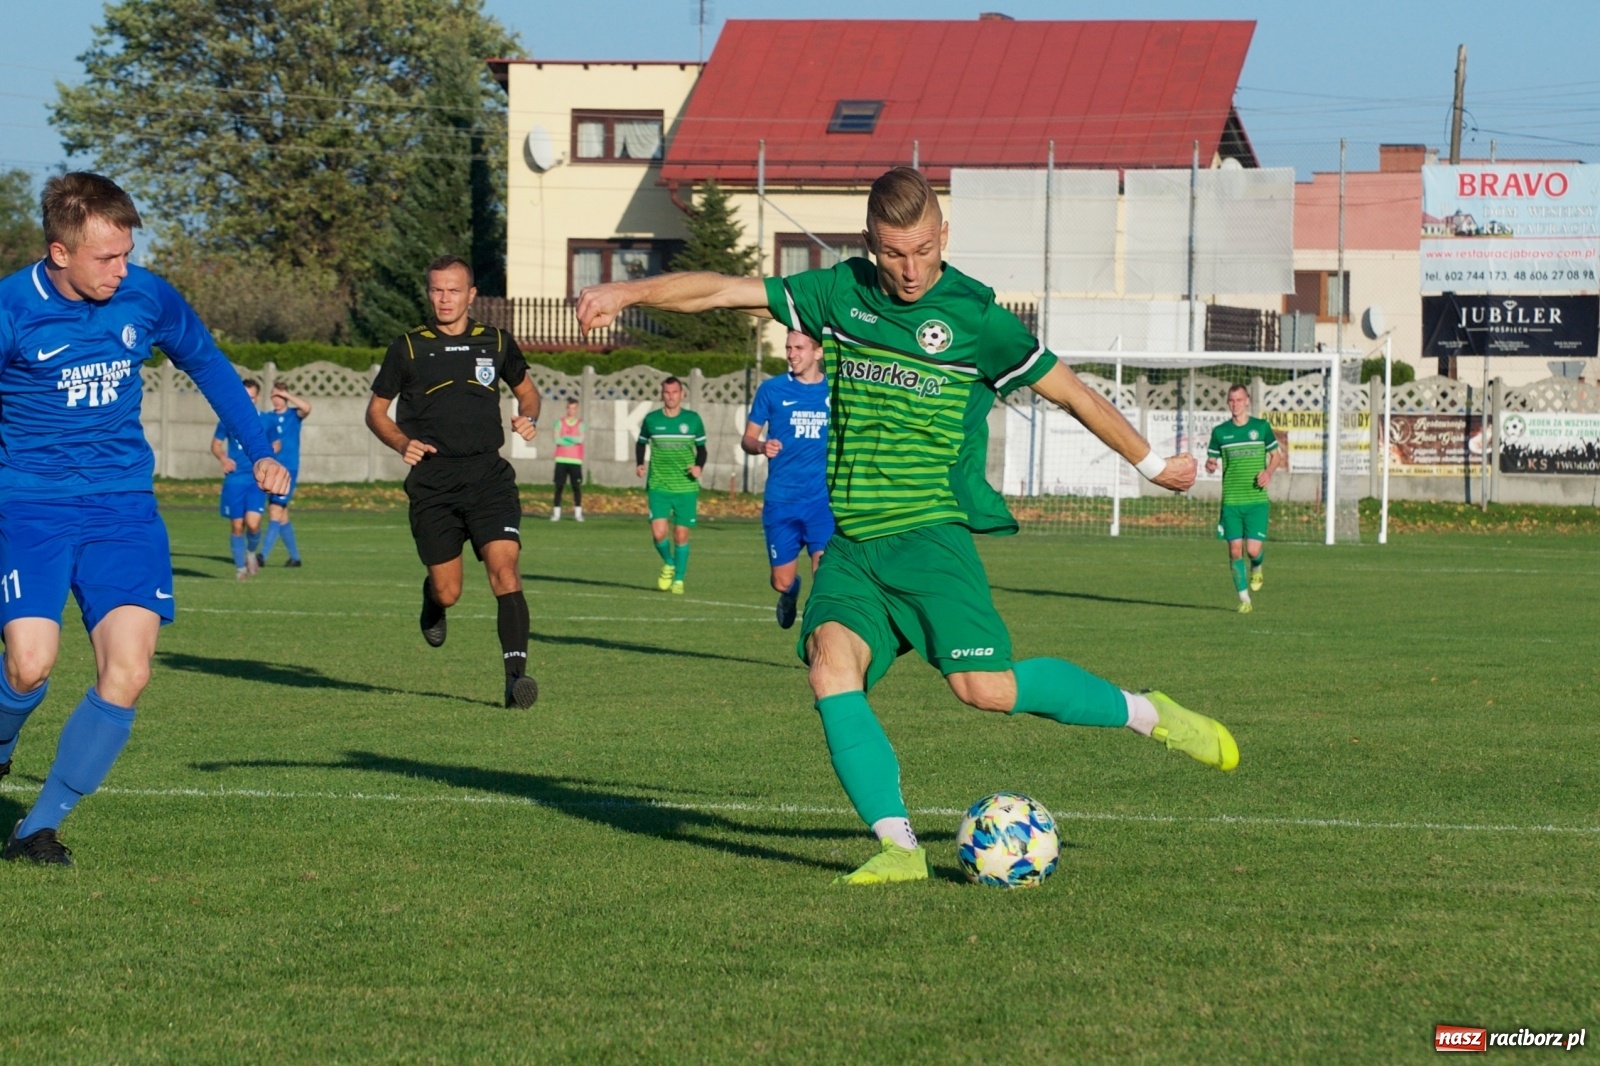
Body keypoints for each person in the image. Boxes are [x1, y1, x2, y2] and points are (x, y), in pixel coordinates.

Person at [577, 166, 1238, 886]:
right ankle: (899, 848)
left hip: (928, 538)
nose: (911, 269)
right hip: (853, 547)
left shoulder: (975, 319)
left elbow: (1072, 392)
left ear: (943, 236)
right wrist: (627, 292)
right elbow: (722, 291)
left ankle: (1149, 714)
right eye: (894, 253)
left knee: (984, 689)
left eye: (923, 249)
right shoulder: (839, 294)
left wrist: (1151, 464)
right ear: (870, 243)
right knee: (829, 666)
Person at [0, 172, 288, 866]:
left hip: (123, 509)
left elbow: (209, 365)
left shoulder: (146, 296)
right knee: (30, 665)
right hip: (31, 507)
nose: (122, 269)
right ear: (59, 252)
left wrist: (260, 450)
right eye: (107, 257)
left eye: (127, 253)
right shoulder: (12, 307)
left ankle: (36, 829)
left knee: (128, 672)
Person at [366, 254, 542, 709]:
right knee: (450, 590)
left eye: (454, 290)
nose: (445, 299)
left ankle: (515, 681)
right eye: (437, 290)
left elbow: (528, 392)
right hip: (434, 484)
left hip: (488, 478)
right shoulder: (407, 348)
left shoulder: (496, 342)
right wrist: (401, 442)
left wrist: (529, 417)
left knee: (505, 571)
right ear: (429, 293)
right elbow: (376, 412)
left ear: (471, 295)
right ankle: (433, 603)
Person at [741, 329, 832, 628]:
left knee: (825, 576)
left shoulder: (835, 390)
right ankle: (790, 592)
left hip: (821, 502)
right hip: (782, 501)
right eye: (788, 348)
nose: (791, 354)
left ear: (818, 352)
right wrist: (761, 446)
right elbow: (748, 438)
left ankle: (819, 638)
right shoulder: (772, 389)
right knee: (781, 581)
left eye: (799, 348)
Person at [1205, 384, 1284, 613]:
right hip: (1231, 502)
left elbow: (1276, 456)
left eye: (1239, 400)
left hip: (1256, 502)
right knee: (1234, 550)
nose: (1235, 404)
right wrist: (1210, 465)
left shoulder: (1261, 427)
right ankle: (1244, 599)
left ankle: (1257, 567)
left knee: (1252, 550)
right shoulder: (1220, 432)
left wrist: (1268, 473)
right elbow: (1211, 461)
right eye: (1231, 400)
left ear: (1247, 400)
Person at [636, 377, 706, 595]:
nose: (671, 396)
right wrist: (639, 463)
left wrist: (699, 466)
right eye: (667, 392)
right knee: (659, 534)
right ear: (662, 394)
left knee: (681, 535)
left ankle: (679, 579)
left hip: (685, 487)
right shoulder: (652, 420)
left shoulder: (692, 420)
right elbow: (641, 442)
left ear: (682, 394)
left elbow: (702, 449)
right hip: (658, 485)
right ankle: (669, 562)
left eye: (675, 392)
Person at [210, 379, 270, 579]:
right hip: (235, 480)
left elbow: (277, 445)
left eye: (251, 397)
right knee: (237, 526)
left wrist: (268, 459)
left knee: (253, 524)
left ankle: (251, 552)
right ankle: (240, 569)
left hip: (256, 481)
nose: (248, 401)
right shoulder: (227, 419)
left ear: (257, 398)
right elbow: (215, 445)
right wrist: (223, 459)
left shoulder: (265, 420)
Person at [260, 383, 312, 566]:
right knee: (282, 514)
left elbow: (307, 408)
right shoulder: (268, 418)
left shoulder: (293, 415)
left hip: (288, 470)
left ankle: (262, 556)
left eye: (280, 396)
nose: (277, 399)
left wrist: (287, 395)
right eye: (274, 396)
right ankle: (295, 558)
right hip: (272, 469)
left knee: (275, 510)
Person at [550, 397, 585, 522]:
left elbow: (580, 439)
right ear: (567, 408)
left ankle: (578, 513)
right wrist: (571, 440)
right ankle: (556, 513)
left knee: (576, 487)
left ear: (577, 409)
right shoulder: (559, 422)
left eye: (574, 408)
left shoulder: (580, 423)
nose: (571, 410)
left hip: (575, 460)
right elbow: (556, 439)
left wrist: (566, 437)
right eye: (570, 408)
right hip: (561, 459)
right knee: (559, 486)